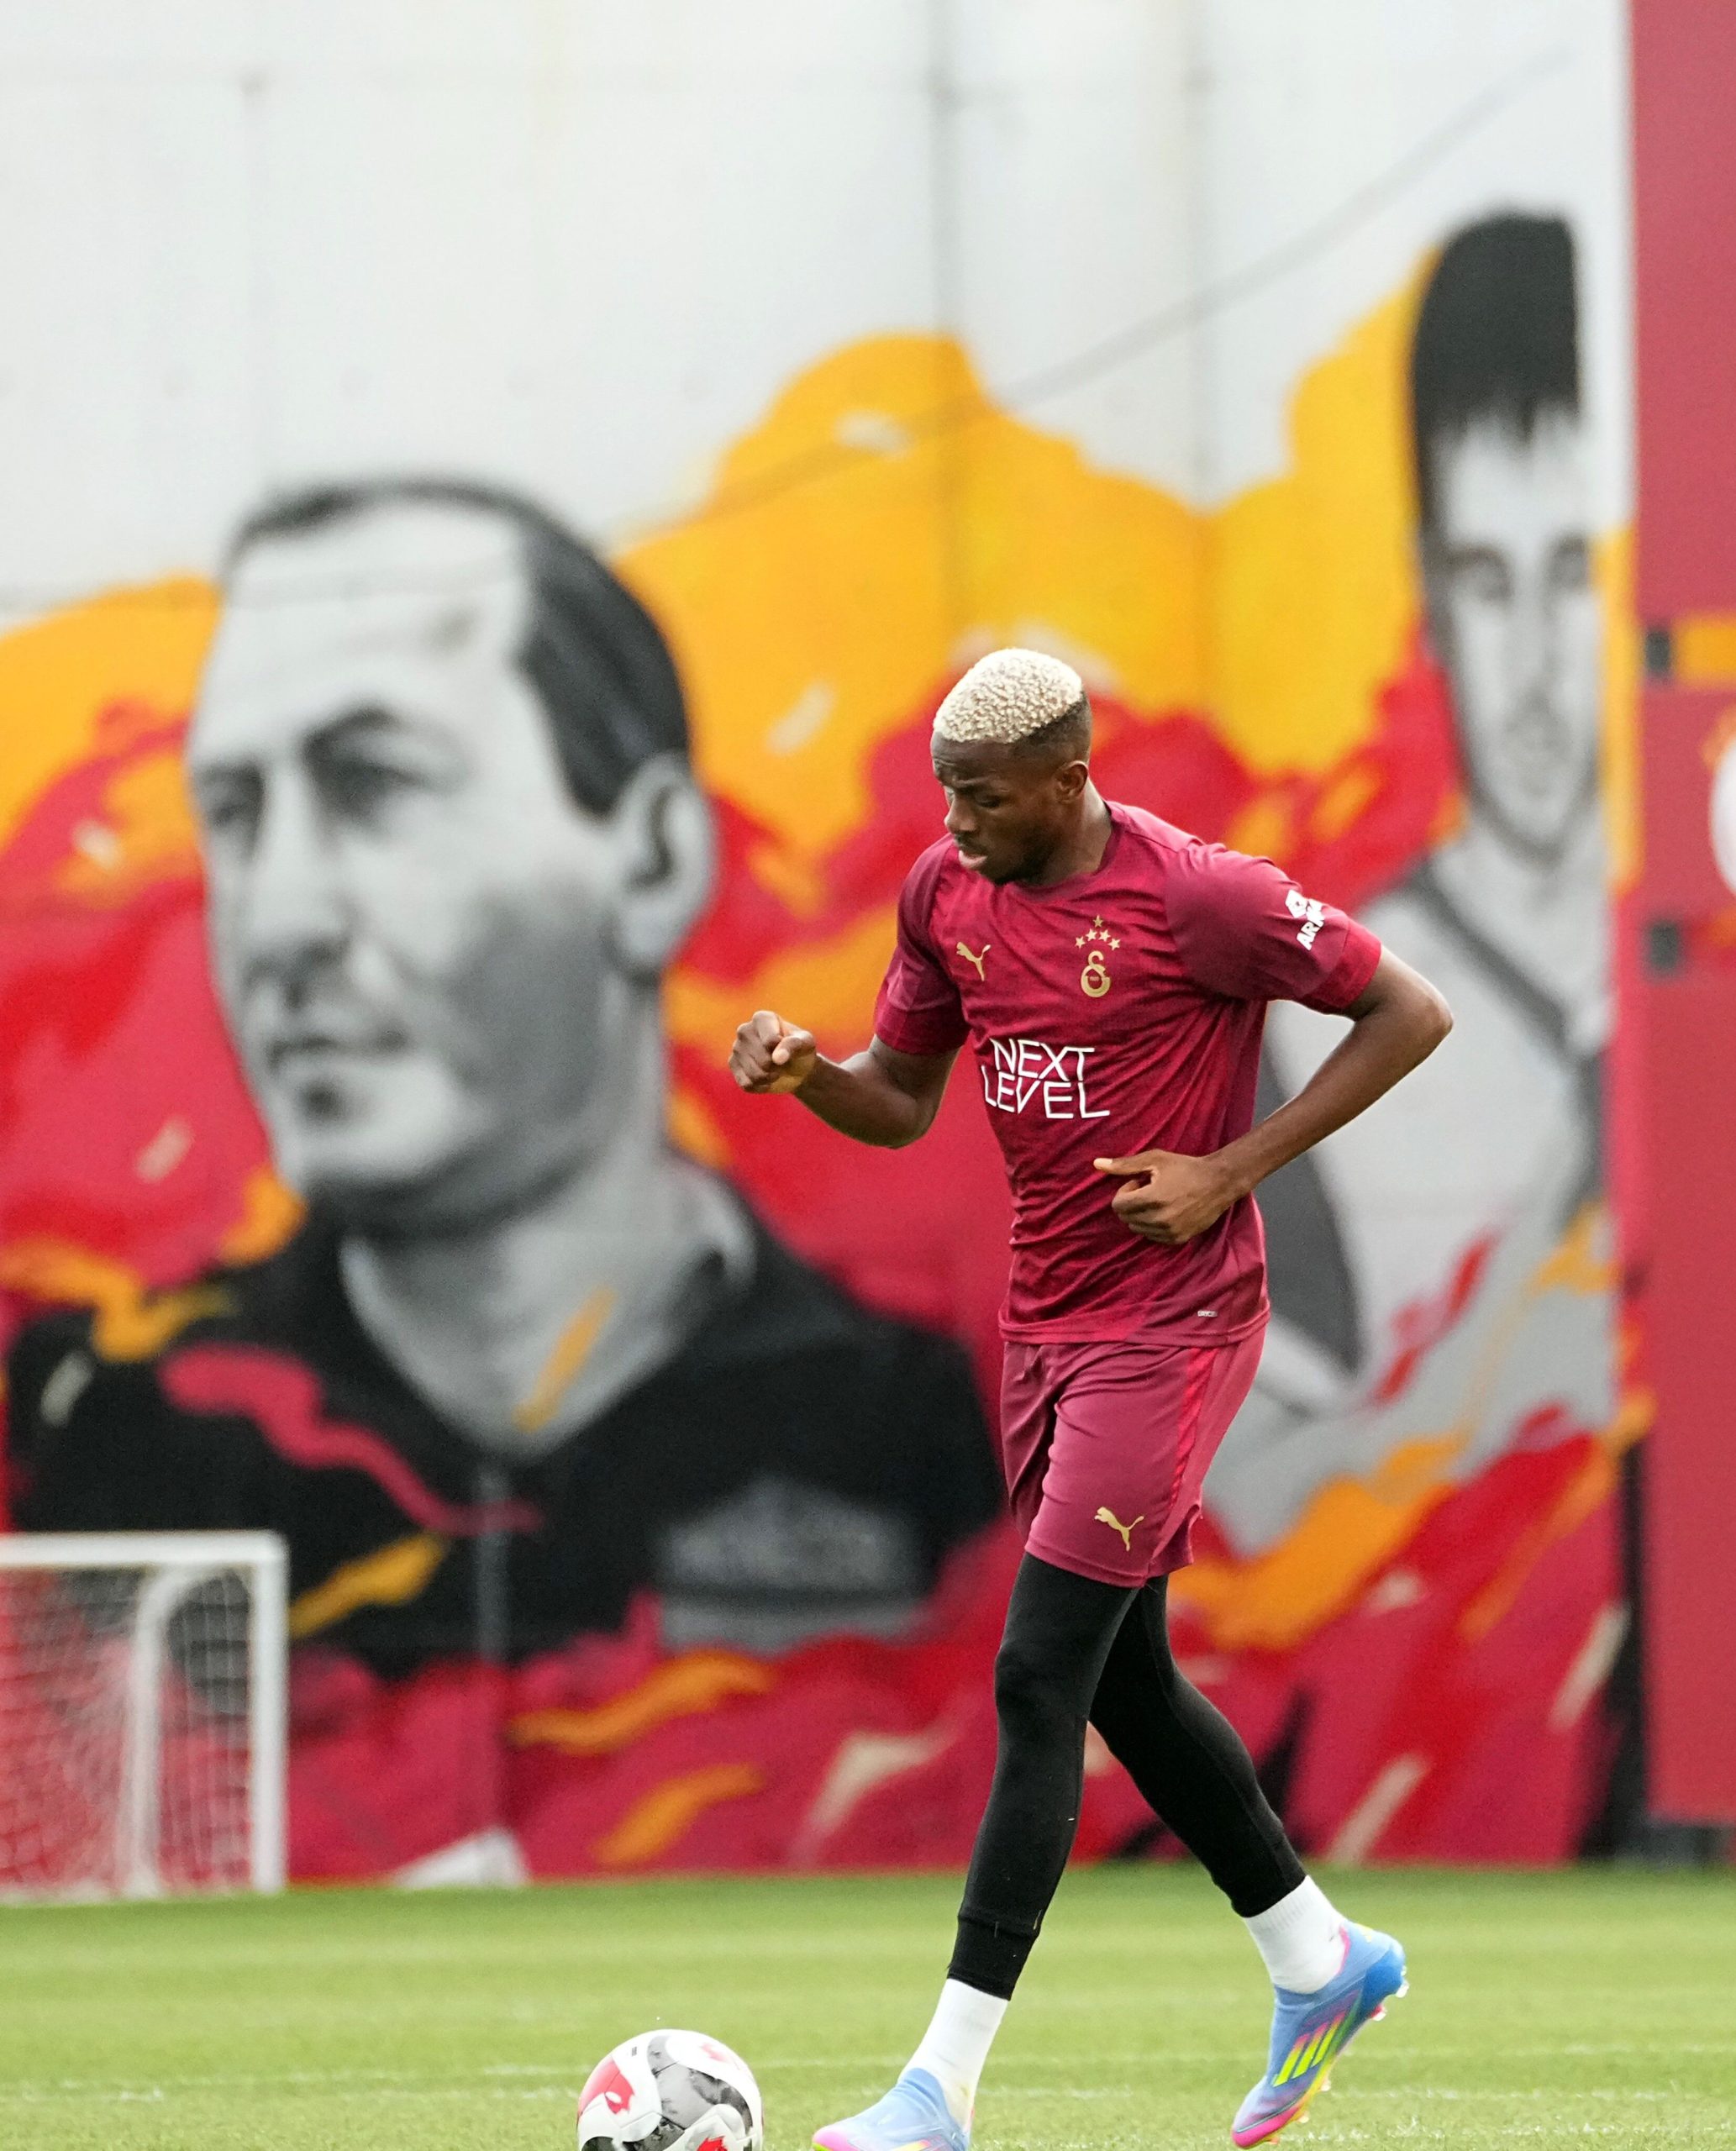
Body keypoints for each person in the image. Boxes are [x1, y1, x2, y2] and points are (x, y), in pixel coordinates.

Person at [7, 478, 998, 1671]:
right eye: (233, 812)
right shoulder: (117, 1431)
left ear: (652, 862)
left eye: (374, 784)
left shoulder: (904, 1427)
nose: (277, 921)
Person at [729, 647, 1452, 2148]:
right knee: (1122, 1680)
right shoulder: (945, 893)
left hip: (1171, 1327)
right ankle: (1319, 1961)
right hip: (1045, 1328)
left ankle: (938, 2089)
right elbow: (898, 1099)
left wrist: (1229, 1169)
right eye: (947, 795)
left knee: (1035, 1675)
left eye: (984, 798)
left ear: (1067, 780)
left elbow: (1410, 1010)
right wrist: (806, 1074)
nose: (957, 822)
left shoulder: (1200, 897)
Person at [1210, 213, 1612, 1558]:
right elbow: (1233, 1529)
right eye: (1490, 586)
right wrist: (1515, 1341)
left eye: (1573, 576)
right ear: (1428, 596)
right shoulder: (1311, 1025)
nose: (1538, 669)